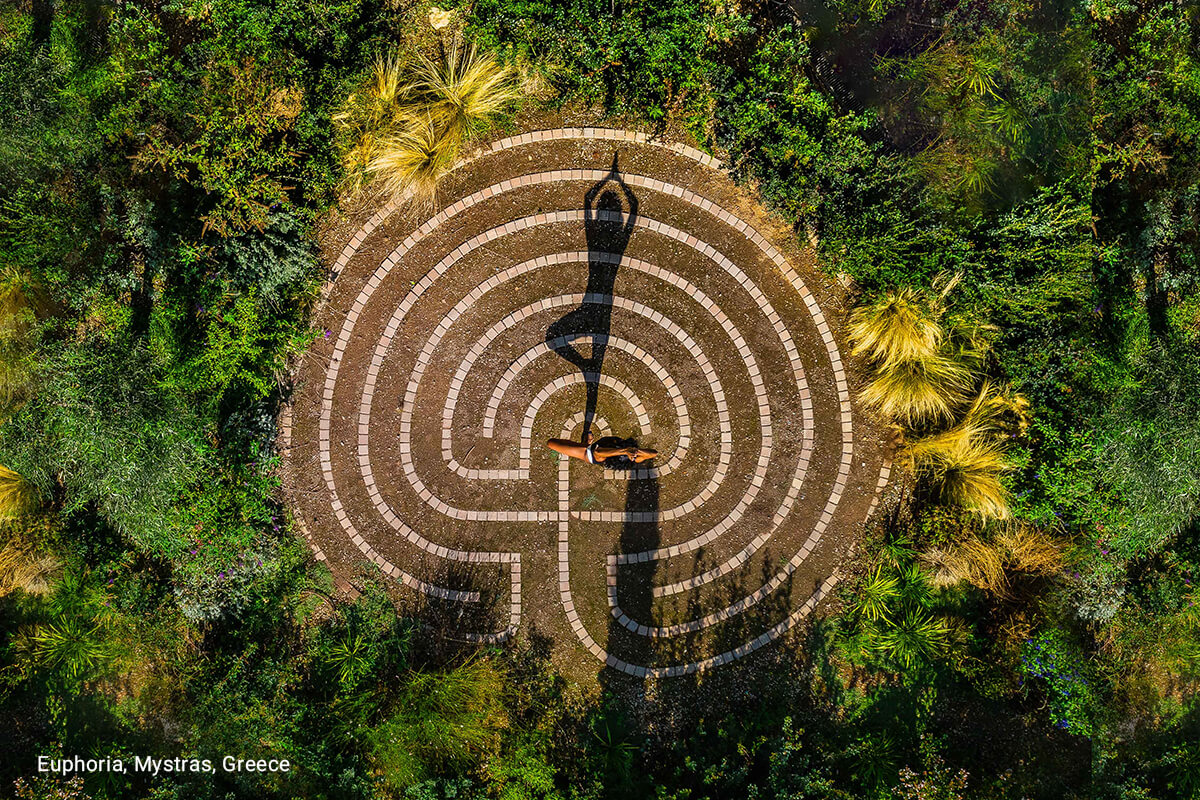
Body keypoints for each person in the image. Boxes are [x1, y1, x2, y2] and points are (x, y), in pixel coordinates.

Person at [546, 432, 657, 467]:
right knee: (580, 444)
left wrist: (625, 450)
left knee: (551, 443)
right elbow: (654, 454)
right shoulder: (635, 455)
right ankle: (586, 443)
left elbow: (598, 452)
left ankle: (585, 444)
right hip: (597, 446)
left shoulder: (626, 460)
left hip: (588, 453)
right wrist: (637, 450)